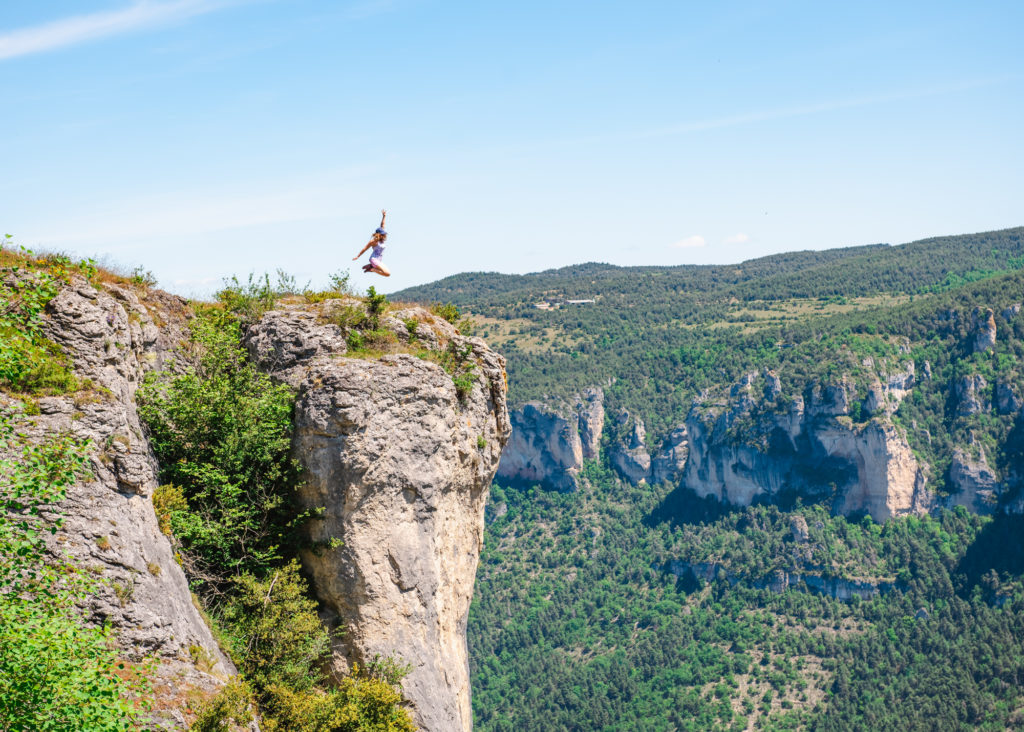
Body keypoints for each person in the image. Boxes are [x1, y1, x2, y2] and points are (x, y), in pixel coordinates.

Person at [353, 209, 391, 277]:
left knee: (387, 274)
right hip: (374, 259)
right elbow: (365, 248)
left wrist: (384, 216)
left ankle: (371, 267)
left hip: (379, 260)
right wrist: (357, 256)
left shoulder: (381, 240)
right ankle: (372, 269)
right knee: (387, 273)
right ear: (378, 234)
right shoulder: (373, 241)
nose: (384, 235)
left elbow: (382, 225)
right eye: (383, 234)